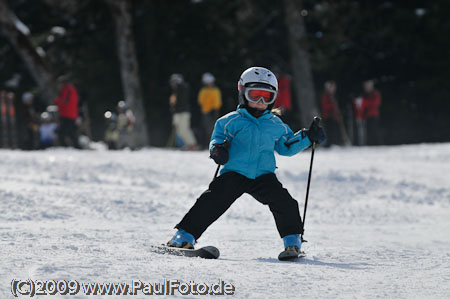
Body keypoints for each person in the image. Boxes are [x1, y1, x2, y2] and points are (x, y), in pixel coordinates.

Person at [166, 67, 326, 255]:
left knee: (286, 203)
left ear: (273, 98)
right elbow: (216, 141)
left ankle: (292, 242)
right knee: (211, 200)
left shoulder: (275, 124)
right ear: (242, 92)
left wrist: (308, 137)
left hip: (263, 175)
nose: (260, 102)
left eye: (266, 97)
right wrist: (218, 152)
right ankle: (184, 236)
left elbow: (287, 147)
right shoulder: (229, 121)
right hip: (234, 172)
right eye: (255, 95)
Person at [169, 73, 198, 150]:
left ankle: (192, 144)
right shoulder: (175, 93)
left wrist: (179, 84)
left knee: (184, 129)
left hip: (184, 112)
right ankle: (187, 144)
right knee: (179, 130)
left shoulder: (183, 88)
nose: (172, 84)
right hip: (177, 113)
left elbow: (184, 88)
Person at [54, 76, 80, 148]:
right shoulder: (71, 89)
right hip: (71, 114)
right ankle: (76, 147)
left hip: (67, 115)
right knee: (71, 133)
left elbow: (64, 101)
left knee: (61, 133)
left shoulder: (67, 89)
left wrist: (56, 101)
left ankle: (65, 148)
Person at [197, 72, 222, 148]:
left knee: (213, 129)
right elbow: (200, 101)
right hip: (206, 112)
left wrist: (214, 109)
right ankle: (206, 144)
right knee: (206, 129)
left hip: (213, 112)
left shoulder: (215, 90)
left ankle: (213, 144)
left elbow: (217, 102)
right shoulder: (203, 91)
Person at [361, 80, 382, 145]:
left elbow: (375, 103)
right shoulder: (365, 95)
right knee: (368, 131)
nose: (366, 88)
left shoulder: (375, 94)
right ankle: (370, 144)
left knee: (374, 130)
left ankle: (377, 144)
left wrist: (365, 103)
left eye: (368, 86)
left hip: (374, 115)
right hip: (366, 116)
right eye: (366, 87)